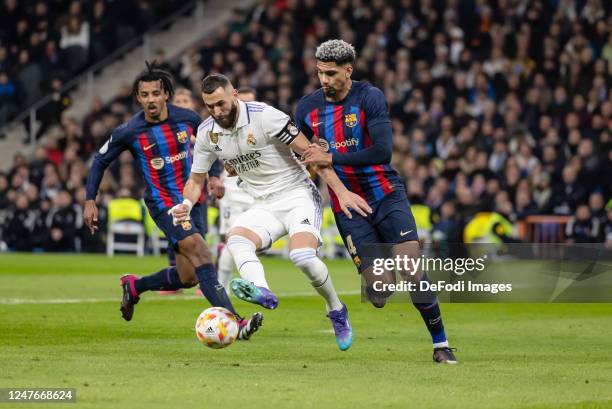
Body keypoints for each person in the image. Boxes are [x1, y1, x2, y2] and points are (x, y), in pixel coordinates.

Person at [170, 74, 372, 350]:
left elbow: (311, 153)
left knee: (301, 256)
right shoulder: (208, 133)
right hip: (263, 203)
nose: (217, 111)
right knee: (236, 240)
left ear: (235, 95)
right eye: (210, 106)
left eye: (221, 104)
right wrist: (186, 204)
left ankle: (336, 309)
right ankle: (261, 290)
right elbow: (195, 180)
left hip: (297, 194)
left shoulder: (266, 116)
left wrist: (341, 192)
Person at [297, 40, 457, 363]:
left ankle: (441, 344)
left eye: (330, 73)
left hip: (385, 194)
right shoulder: (306, 109)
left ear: (348, 70)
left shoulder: (370, 97)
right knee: (382, 292)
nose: (324, 80)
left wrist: (330, 156)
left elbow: (382, 151)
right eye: (319, 73)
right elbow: (296, 148)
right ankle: (378, 276)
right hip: (348, 207)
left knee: (411, 268)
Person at [84, 64, 262, 340]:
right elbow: (100, 160)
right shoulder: (130, 131)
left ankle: (135, 286)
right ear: (139, 98)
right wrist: (89, 199)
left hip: (194, 200)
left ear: (166, 94)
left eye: (156, 93)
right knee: (202, 253)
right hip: (163, 202)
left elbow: (211, 145)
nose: (151, 99)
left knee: (189, 276)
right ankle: (235, 323)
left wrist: (214, 176)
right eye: (145, 95)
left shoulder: (188, 118)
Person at [215, 87, 257, 292]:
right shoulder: (223, 126)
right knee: (233, 240)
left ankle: (242, 283)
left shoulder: (259, 126)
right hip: (232, 194)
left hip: (254, 193)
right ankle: (222, 287)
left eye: (250, 103)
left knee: (245, 242)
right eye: (243, 102)